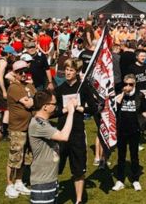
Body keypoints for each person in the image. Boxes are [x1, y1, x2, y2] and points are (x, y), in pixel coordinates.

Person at [54, 58, 96, 204]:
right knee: (56, 167)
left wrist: (80, 108)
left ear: (77, 72)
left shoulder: (83, 88)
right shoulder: (59, 89)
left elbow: (94, 108)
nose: (68, 72)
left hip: (77, 133)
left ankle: (78, 200)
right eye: (66, 69)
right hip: (61, 133)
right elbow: (53, 111)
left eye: (71, 70)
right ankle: (52, 195)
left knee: (78, 169)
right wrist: (64, 109)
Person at [28, 90, 78, 204]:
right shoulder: (38, 124)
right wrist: (71, 112)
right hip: (42, 183)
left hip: (50, 180)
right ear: (45, 107)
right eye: (54, 104)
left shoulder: (42, 121)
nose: (56, 106)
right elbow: (64, 136)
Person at [5, 60, 36, 199]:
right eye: (19, 72)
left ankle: (19, 181)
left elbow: (37, 101)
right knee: (14, 158)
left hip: (29, 127)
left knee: (24, 158)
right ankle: (9, 184)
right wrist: (36, 101)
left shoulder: (29, 85)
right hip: (17, 128)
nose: (23, 74)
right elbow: (29, 104)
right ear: (15, 74)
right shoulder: (14, 87)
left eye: (25, 71)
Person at [112, 74, 146, 191]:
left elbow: (144, 111)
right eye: (125, 84)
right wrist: (122, 93)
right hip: (121, 129)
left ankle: (135, 179)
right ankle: (120, 180)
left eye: (130, 84)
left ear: (135, 84)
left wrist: (141, 125)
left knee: (134, 155)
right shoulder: (121, 95)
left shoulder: (139, 95)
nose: (128, 86)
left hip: (134, 130)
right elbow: (115, 105)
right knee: (121, 156)